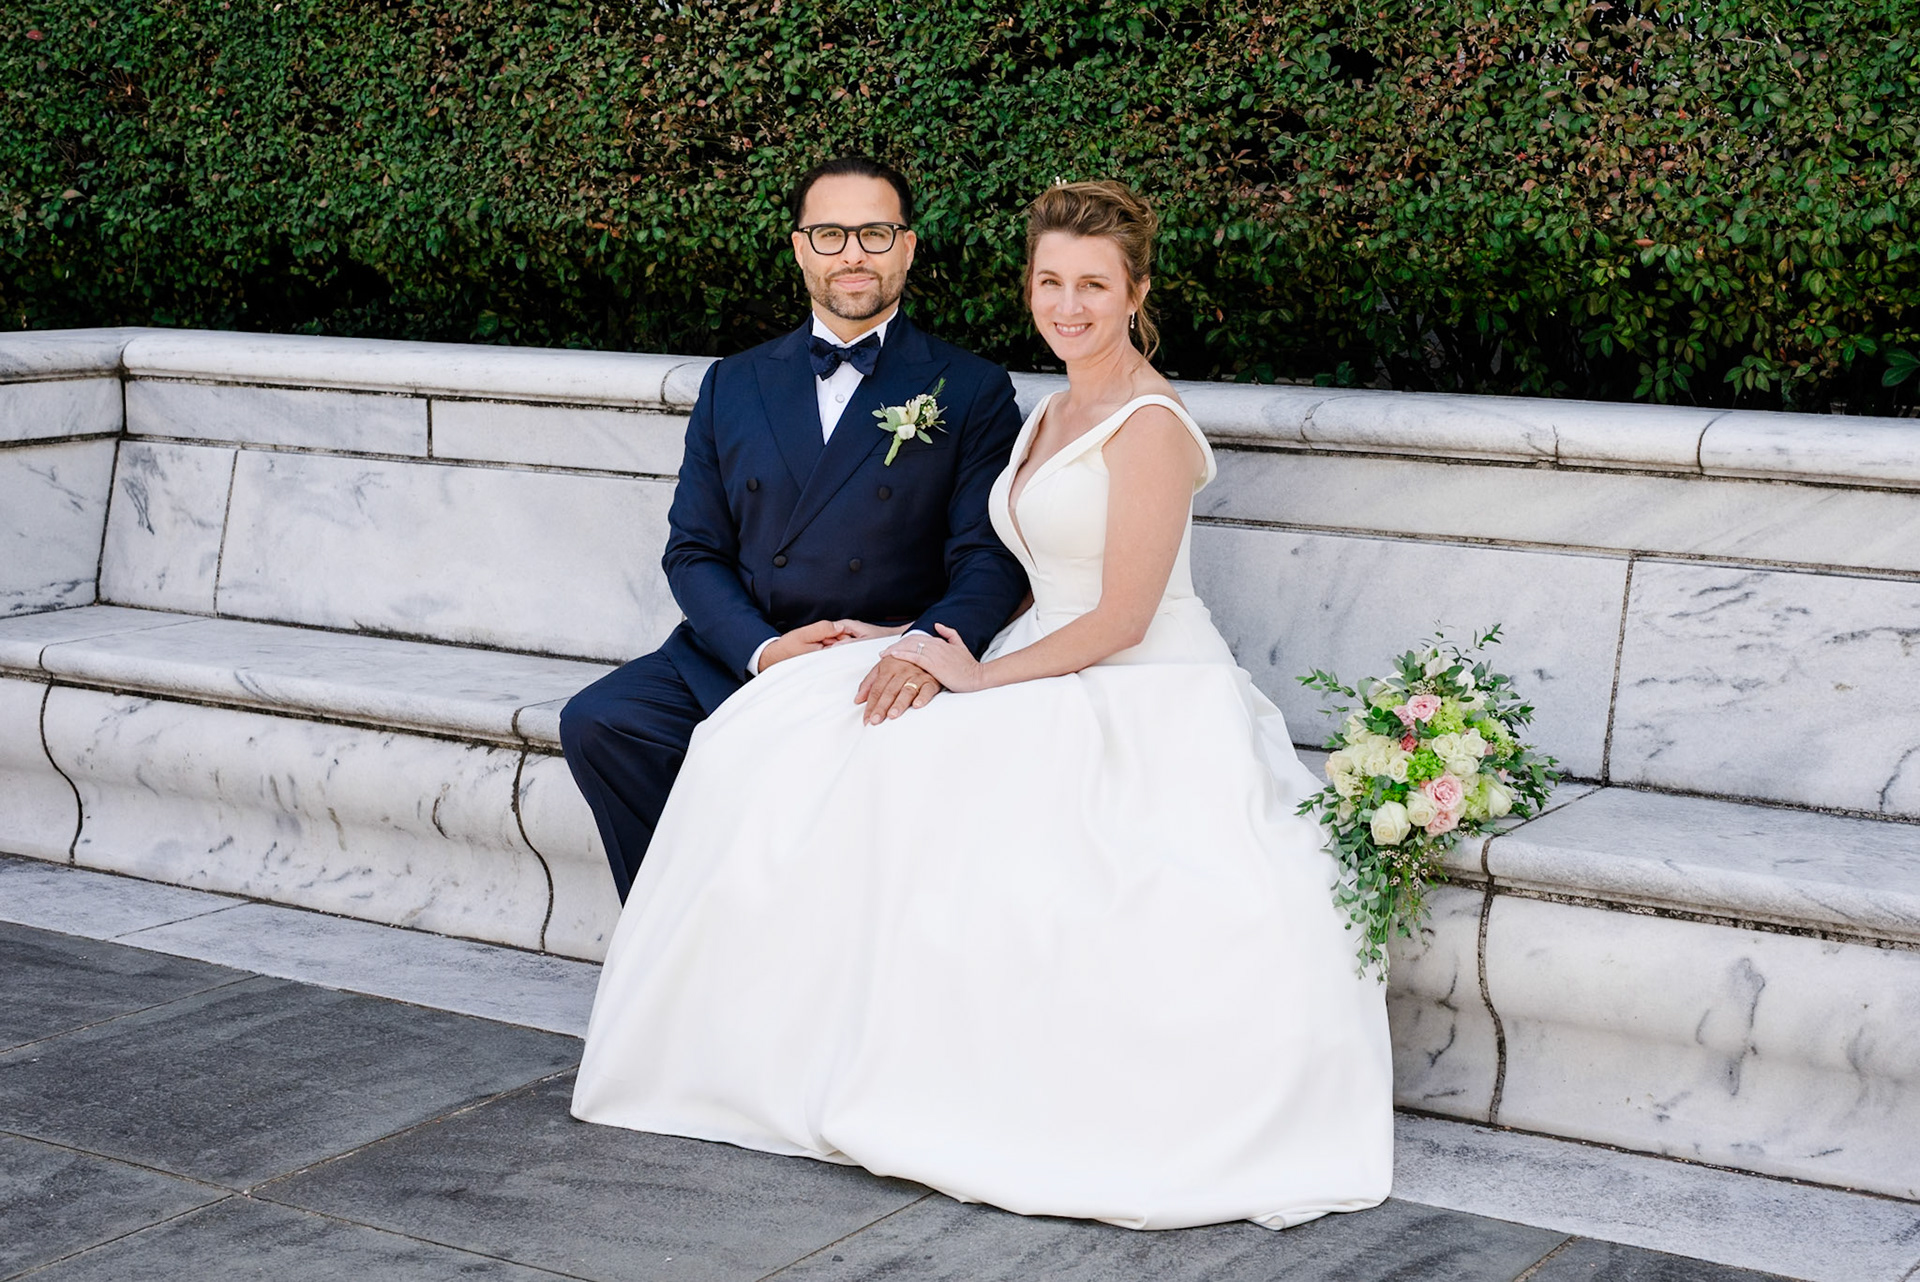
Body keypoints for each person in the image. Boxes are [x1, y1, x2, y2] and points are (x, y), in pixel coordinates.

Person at [571, 180, 1394, 1230]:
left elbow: (1119, 614)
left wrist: (970, 671)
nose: (1068, 305)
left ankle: (892, 1058)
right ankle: (725, 1001)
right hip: (1003, 654)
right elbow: (711, 548)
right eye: (1051, 282)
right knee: (796, 752)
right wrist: (884, 637)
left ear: (1137, 292)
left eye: (1093, 285)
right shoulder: (1051, 407)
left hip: (1135, 685)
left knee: (928, 803)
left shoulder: (1135, 419)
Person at [558, 156, 1029, 901]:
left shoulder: (969, 387)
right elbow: (694, 550)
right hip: (749, 651)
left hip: (873, 658)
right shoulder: (732, 381)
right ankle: (680, 927)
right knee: (602, 722)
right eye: (830, 234)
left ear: (908, 246)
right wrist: (762, 649)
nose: (853, 254)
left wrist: (920, 651)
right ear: (800, 248)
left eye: (875, 233)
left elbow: (987, 559)